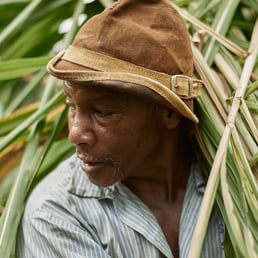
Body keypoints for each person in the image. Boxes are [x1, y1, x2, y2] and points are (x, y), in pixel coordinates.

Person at [16, 0, 225, 257]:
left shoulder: (233, 183)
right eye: (71, 106)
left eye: (102, 112)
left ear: (169, 112)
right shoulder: (56, 212)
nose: (75, 135)